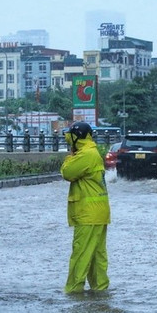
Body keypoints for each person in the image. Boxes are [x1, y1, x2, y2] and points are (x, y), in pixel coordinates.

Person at [61, 122, 110, 294]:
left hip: (88, 214)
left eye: (70, 138)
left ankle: (74, 291)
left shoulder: (86, 155)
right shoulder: (91, 151)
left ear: (77, 137)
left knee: (81, 254)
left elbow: (67, 173)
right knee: (97, 256)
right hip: (98, 212)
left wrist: (69, 157)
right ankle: (100, 291)